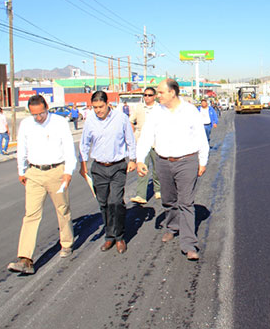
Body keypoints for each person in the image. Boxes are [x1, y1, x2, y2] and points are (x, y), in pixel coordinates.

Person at [136, 79, 209, 261]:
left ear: (172, 93)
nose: (156, 96)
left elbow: (201, 137)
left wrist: (203, 161)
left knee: (186, 202)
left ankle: (189, 243)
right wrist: (139, 159)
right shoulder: (156, 113)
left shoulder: (190, 111)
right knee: (168, 199)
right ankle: (172, 226)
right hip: (163, 162)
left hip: (187, 161)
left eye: (160, 93)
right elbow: (146, 136)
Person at [7, 95, 77, 275]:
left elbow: (69, 148)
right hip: (34, 173)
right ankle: (25, 258)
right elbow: (21, 148)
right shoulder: (26, 125)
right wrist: (22, 171)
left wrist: (68, 171)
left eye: (41, 113)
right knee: (31, 215)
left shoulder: (60, 122)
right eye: (35, 115)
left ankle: (67, 243)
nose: (38, 118)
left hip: (57, 171)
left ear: (47, 107)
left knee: (62, 209)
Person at [79, 91, 136, 254]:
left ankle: (119, 237)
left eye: (100, 107)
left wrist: (132, 159)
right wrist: (82, 164)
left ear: (107, 103)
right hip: (98, 168)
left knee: (116, 202)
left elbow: (130, 140)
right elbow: (84, 144)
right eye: (94, 107)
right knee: (103, 203)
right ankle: (109, 236)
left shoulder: (121, 119)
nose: (98, 110)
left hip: (117, 166)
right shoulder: (90, 121)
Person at [129, 87, 161, 204]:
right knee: (142, 167)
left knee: (157, 168)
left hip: (156, 142)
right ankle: (141, 195)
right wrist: (132, 131)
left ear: (154, 96)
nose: (147, 97)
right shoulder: (139, 108)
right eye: (145, 95)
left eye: (149, 95)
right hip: (142, 142)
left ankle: (158, 189)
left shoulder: (159, 108)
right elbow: (131, 120)